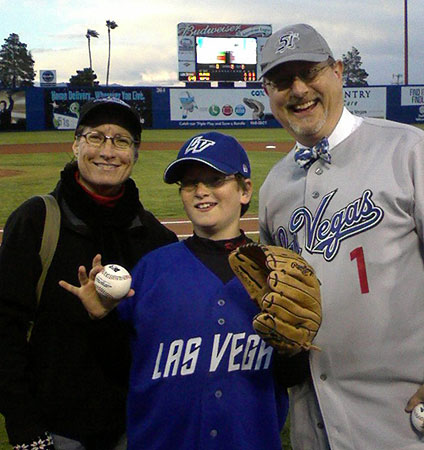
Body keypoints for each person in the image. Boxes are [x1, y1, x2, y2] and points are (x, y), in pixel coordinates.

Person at [60, 131, 311, 450]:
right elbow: (121, 370)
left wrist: (291, 348)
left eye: (215, 179)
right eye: (190, 183)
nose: (201, 191)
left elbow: (292, 377)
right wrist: (102, 319)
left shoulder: (275, 274)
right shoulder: (152, 270)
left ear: (245, 190)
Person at [258, 22, 424, 449]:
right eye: (281, 80)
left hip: (402, 419)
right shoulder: (275, 187)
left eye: (308, 73)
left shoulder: (407, 151)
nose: (297, 90)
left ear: (337, 72)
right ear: (268, 93)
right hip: (314, 421)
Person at [0, 97, 178, 450]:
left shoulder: (156, 238)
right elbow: (4, 327)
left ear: (135, 153)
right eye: (96, 137)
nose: (107, 151)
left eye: (121, 141)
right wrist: (25, 428)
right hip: (56, 429)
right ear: (76, 144)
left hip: (135, 427)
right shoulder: (37, 221)